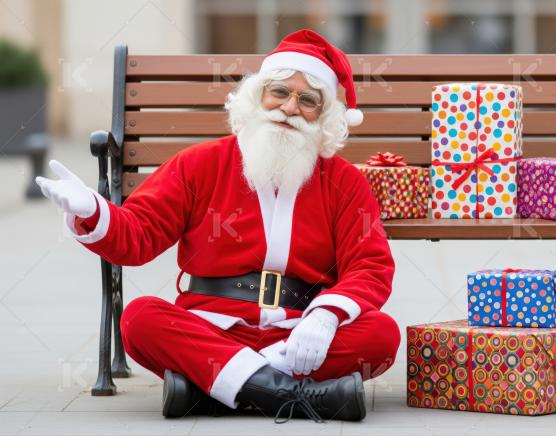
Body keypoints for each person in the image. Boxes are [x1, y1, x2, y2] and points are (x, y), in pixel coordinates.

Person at [35, 29, 400, 423]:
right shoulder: (199, 164)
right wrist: (92, 209)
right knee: (140, 319)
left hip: (299, 332)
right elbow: (139, 234)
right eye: (279, 92)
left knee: (381, 334)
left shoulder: (344, 181)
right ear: (258, 96)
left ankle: (210, 390)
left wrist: (326, 317)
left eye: (308, 100)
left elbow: (370, 265)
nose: (290, 107)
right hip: (211, 328)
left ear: (323, 116)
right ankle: (297, 393)